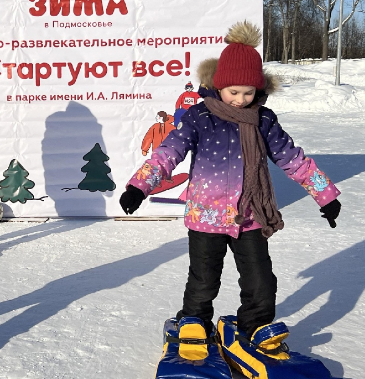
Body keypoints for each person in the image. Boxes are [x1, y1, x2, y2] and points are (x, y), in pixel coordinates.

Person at [119, 21, 342, 346]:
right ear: (219, 85)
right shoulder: (199, 117)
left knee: (261, 280)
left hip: (250, 217)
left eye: (248, 92)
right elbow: (168, 153)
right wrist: (139, 186)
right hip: (206, 217)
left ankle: (255, 327)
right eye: (233, 92)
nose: (240, 99)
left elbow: (293, 159)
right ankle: (194, 321)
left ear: (258, 90)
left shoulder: (264, 120)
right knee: (203, 279)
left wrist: (325, 195)